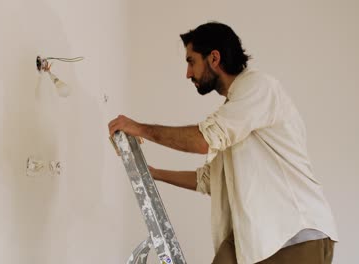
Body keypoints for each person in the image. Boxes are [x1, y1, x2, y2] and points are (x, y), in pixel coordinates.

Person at [108, 22, 338, 264]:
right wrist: (151, 173)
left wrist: (140, 128)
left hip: (293, 232)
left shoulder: (258, 87)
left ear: (214, 58)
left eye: (191, 61)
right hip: (256, 237)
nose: (188, 73)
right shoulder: (235, 114)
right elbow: (208, 180)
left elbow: (203, 140)